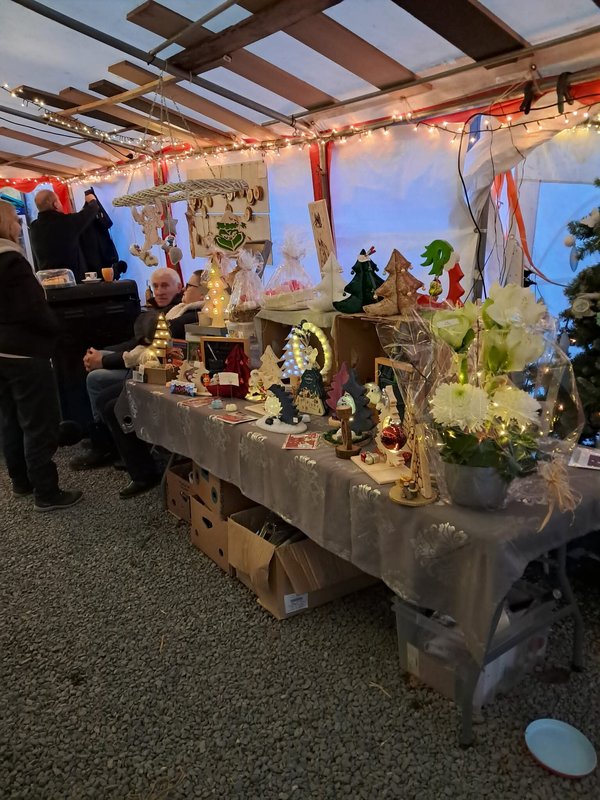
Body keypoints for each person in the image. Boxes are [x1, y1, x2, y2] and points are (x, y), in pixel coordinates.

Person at [95, 271, 208, 498]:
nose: (186, 289)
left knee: (109, 404)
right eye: (155, 286)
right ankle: (125, 454)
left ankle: (143, 471)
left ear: (204, 291)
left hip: (168, 373)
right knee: (103, 397)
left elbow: (150, 335)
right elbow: (143, 336)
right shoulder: (176, 310)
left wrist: (106, 357)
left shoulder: (192, 314)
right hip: (151, 367)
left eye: (188, 285)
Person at [0, 200, 82, 511]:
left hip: (2, 351)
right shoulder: (11, 261)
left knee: (10, 419)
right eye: (14, 221)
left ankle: (21, 481)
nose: (19, 226)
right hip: (25, 354)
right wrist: (57, 331)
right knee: (39, 423)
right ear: (6, 224)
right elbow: (34, 310)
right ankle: (46, 492)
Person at [70, 267, 187, 470]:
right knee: (96, 361)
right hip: (137, 357)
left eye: (165, 285)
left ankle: (105, 442)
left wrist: (104, 360)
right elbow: (135, 342)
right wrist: (102, 352)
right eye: (155, 286)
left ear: (180, 287)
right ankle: (105, 435)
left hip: (151, 366)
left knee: (96, 378)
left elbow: (148, 350)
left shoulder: (176, 316)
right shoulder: (157, 310)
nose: (159, 291)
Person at [29, 189, 98, 282]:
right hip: (71, 282)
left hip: (47, 283)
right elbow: (92, 210)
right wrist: (92, 200)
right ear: (55, 204)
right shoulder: (67, 222)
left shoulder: (33, 228)